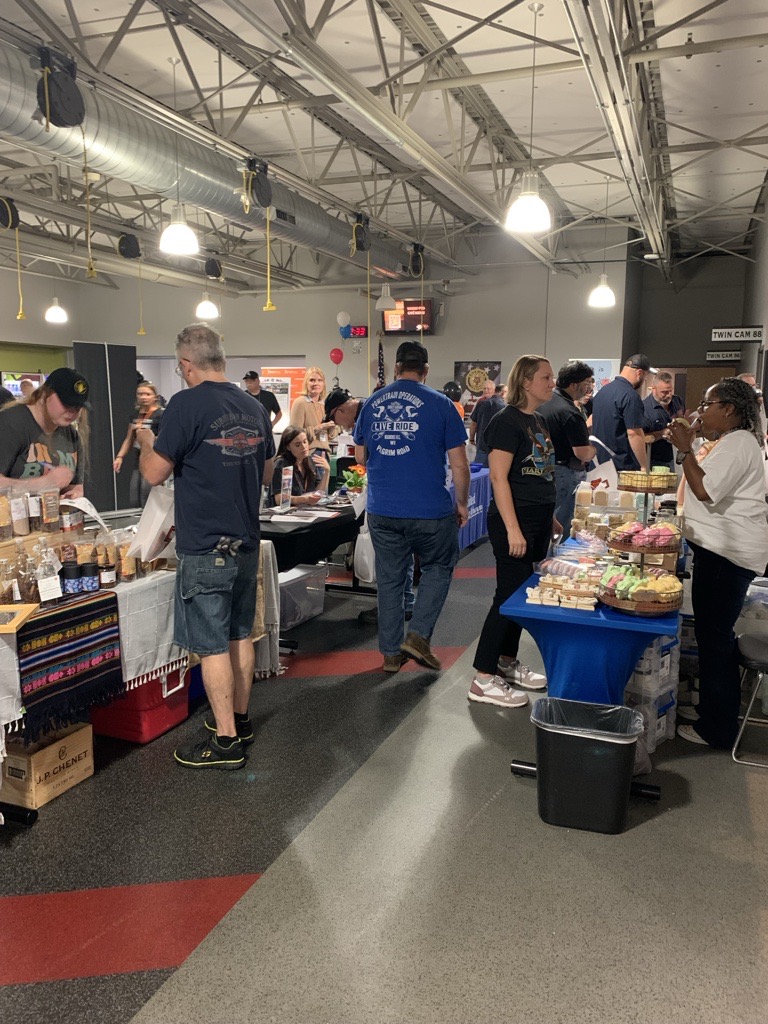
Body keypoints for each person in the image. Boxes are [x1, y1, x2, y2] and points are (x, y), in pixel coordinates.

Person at [137, 323, 275, 771]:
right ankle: (240, 720)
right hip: (247, 540)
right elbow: (268, 472)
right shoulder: (253, 406)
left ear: (185, 365)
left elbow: (155, 473)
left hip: (206, 546)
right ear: (222, 358)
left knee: (213, 646)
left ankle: (226, 744)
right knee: (240, 634)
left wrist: (145, 444)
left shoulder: (184, 404)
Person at [353, 340, 469, 673]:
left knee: (389, 580)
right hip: (430, 509)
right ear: (426, 370)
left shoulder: (372, 403)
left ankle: (390, 655)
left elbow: (360, 456)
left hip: (382, 508)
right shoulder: (442, 404)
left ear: (396, 367)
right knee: (438, 566)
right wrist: (460, 503)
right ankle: (417, 637)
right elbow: (459, 465)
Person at [665, 377, 768, 749]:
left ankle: (717, 728)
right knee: (714, 633)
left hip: (729, 554)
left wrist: (685, 450)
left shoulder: (739, 443)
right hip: (720, 550)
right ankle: (713, 709)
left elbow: (706, 490)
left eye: (708, 404)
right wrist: (689, 446)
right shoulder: (729, 441)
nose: (700, 411)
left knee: (714, 636)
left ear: (729, 409)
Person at [469, 355, 558, 709]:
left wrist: (549, 517)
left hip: (537, 519)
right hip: (515, 520)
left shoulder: (537, 419)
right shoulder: (506, 421)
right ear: (525, 382)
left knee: (520, 596)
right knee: (507, 598)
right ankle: (482, 678)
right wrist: (512, 529)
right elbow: (498, 477)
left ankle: (506, 661)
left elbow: (540, 471)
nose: (552, 382)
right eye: (546, 377)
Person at [0, 367, 89, 498]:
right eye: (66, 404)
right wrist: (44, 484)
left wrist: (72, 496)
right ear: (44, 395)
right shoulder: (11, 423)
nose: (72, 411)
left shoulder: (71, 435)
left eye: (78, 407)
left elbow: (76, 488)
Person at [538, 361, 597, 537]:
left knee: (546, 521)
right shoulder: (569, 412)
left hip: (544, 469)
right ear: (573, 384)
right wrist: (595, 450)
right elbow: (582, 453)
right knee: (561, 527)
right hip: (565, 473)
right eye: (587, 382)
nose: (589, 387)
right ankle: (553, 562)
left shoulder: (544, 403)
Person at [591, 354, 658, 471]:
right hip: (621, 466)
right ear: (639, 373)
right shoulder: (630, 396)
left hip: (598, 462)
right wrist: (643, 465)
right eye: (646, 377)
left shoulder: (602, 392)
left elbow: (592, 421)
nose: (644, 380)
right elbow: (634, 433)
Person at [113, 381, 164, 507]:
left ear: (155, 397)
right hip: (139, 458)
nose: (143, 397)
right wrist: (120, 457)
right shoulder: (136, 415)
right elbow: (129, 438)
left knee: (148, 494)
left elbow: (166, 437)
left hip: (154, 458)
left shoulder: (161, 414)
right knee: (135, 495)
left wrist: (149, 439)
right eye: (140, 394)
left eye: (147, 394)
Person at [269, 426, 329, 507]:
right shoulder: (282, 464)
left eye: (305, 442)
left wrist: (327, 472)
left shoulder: (309, 461)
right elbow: (279, 499)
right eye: (297, 445)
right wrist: (304, 499)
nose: (303, 447)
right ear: (288, 447)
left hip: (305, 510)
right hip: (285, 513)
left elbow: (317, 492)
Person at [642, 372, 685, 471]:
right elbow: (641, 438)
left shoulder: (677, 400)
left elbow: (682, 418)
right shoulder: (644, 408)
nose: (669, 395)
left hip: (678, 457)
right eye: (664, 392)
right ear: (653, 388)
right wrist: (662, 433)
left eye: (671, 390)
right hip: (656, 462)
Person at [290, 366, 337, 456]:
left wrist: (332, 427)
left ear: (324, 384)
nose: (316, 383)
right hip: (308, 453)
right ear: (306, 383)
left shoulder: (325, 404)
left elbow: (331, 436)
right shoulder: (300, 402)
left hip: (325, 452)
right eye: (312, 380)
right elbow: (293, 434)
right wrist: (317, 428)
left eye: (320, 380)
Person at [469, 379, 504, 466]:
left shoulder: (481, 404)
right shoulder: (504, 406)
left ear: (494, 390)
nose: (486, 391)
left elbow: (473, 424)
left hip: (483, 448)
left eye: (488, 389)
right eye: (484, 388)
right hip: (498, 449)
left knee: (479, 475)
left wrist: (471, 439)